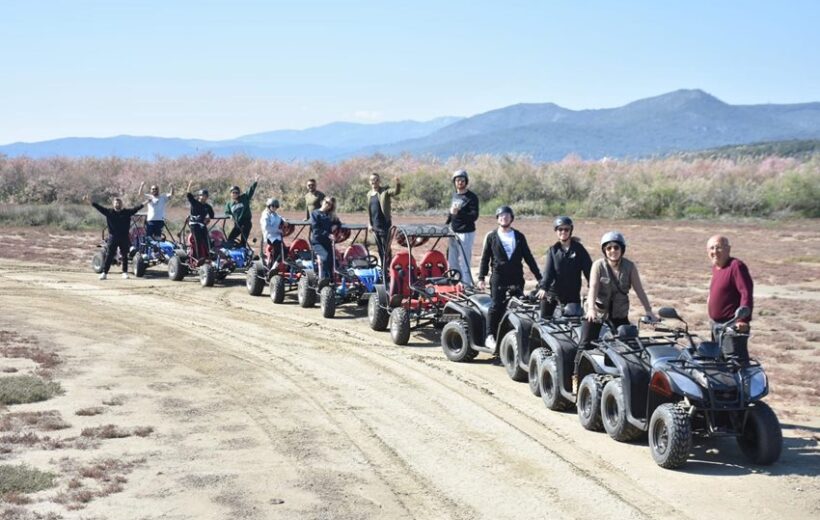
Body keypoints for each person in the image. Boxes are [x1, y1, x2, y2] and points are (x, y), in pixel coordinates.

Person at [477, 206, 541, 349]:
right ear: (497, 218)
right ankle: (490, 336)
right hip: (498, 278)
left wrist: (540, 278)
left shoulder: (519, 236)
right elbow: (485, 258)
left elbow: (529, 258)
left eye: (506, 215)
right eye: (500, 215)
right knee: (495, 306)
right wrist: (481, 277)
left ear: (511, 218)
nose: (503, 218)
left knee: (519, 306)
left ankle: (512, 336)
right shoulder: (491, 237)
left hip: (517, 277)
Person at [580, 231, 656, 348]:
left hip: (619, 312)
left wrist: (648, 311)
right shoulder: (598, 265)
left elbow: (639, 290)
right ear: (604, 250)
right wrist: (590, 309)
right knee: (585, 344)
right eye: (609, 248)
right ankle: (577, 364)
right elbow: (593, 288)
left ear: (622, 249)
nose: (613, 251)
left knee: (629, 345)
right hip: (598, 311)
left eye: (616, 247)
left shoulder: (629, 266)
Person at [707, 235, 754, 363]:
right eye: (711, 248)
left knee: (735, 363)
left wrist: (743, 319)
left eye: (719, 248)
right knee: (719, 361)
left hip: (732, 325)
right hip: (716, 325)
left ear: (728, 249)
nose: (715, 252)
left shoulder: (736, 266)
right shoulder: (716, 267)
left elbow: (746, 292)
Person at [536, 216, 592, 318]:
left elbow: (589, 270)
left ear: (571, 230)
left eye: (566, 229)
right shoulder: (553, 250)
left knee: (572, 326)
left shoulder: (579, 249)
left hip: (572, 296)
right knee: (544, 323)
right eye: (560, 229)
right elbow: (548, 272)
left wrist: (593, 288)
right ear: (556, 231)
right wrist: (543, 288)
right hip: (553, 295)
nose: (563, 232)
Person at [91, 197, 144, 280]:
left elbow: (136, 209)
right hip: (113, 237)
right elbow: (98, 207)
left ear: (121, 204)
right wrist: (89, 201)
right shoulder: (109, 212)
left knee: (125, 255)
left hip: (124, 237)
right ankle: (104, 273)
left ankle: (125, 272)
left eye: (119, 203)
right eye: (116, 203)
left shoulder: (126, 212)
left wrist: (146, 202)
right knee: (109, 255)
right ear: (113, 204)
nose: (117, 204)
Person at [446, 169, 479, 286]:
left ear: (466, 181)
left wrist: (459, 212)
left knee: (465, 261)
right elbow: (451, 213)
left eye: (462, 180)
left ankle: (467, 285)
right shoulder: (455, 195)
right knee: (452, 260)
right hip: (453, 232)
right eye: (457, 180)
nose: (460, 182)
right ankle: (456, 283)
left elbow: (474, 216)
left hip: (466, 232)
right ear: (454, 182)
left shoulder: (471, 197)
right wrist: (446, 224)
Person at [366, 172, 401, 267]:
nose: (374, 181)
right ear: (369, 182)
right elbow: (369, 211)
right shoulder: (369, 194)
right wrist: (369, 224)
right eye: (372, 180)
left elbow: (396, 192)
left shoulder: (385, 191)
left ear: (379, 181)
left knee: (386, 248)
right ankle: (383, 269)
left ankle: (389, 268)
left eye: (376, 179)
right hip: (375, 226)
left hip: (385, 225)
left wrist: (398, 183)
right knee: (379, 249)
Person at [309, 197, 342, 280]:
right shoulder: (315, 213)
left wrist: (336, 225)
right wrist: (328, 234)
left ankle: (330, 280)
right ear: (322, 202)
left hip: (327, 242)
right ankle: (323, 280)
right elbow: (316, 230)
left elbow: (338, 222)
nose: (327, 205)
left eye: (330, 204)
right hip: (317, 242)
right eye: (326, 202)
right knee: (325, 258)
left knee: (331, 260)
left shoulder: (329, 215)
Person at [185, 181, 215, 264]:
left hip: (202, 224)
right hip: (194, 224)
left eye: (205, 196)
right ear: (199, 196)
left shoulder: (207, 206)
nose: (203, 197)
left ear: (207, 197)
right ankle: (199, 258)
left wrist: (208, 219)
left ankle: (208, 256)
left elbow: (212, 215)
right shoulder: (195, 203)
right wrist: (189, 185)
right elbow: (188, 195)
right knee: (197, 240)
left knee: (207, 239)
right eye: (201, 195)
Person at [225, 176, 259, 247]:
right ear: (230, 193)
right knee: (230, 239)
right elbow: (227, 213)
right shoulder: (229, 204)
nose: (234, 194)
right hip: (237, 224)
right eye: (233, 192)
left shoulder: (244, 198)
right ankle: (233, 253)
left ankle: (244, 254)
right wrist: (230, 216)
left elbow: (251, 190)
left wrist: (255, 182)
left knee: (243, 241)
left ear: (238, 193)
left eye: (236, 192)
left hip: (246, 222)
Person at [260, 198, 286, 269]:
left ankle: (271, 267)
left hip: (276, 237)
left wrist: (284, 220)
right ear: (269, 206)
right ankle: (273, 268)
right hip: (270, 237)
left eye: (276, 206)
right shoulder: (265, 215)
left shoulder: (274, 214)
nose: (275, 208)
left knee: (281, 252)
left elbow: (280, 217)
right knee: (283, 252)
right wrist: (278, 230)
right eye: (273, 206)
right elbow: (267, 228)